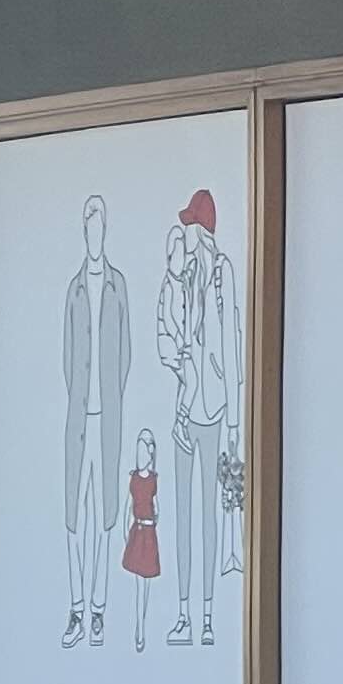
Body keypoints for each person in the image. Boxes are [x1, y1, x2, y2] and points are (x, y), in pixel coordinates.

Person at [156, 188, 243, 646]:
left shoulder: (222, 275)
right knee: (183, 514)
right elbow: (163, 333)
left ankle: (208, 614)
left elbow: (231, 342)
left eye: (191, 226)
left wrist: (234, 417)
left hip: (216, 410)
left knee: (212, 514)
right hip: (185, 411)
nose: (186, 234)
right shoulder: (182, 278)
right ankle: (185, 612)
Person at [60, 196, 129, 648]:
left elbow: (125, 353)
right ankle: (75, 607)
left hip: (108, 420)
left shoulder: (118, 286)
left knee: (105, 517)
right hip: (78, 420)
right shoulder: (75, 288)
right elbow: (68, 356)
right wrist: (81, 399)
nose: (94, 235)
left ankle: (99, 608)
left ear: (106, 231)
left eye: (99, 227)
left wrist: (111, 399)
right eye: (89, 227)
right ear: (83, 233)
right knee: (74, 518)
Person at [122, 427, 161, 651]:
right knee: (139, 584)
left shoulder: (153, 480)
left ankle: (142, 626)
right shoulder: (134, 479)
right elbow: (129, 505)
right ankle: (139, 628)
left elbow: (158, 507)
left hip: (149, 534)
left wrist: (154, 518)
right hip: (137, 533)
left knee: (145, 584)